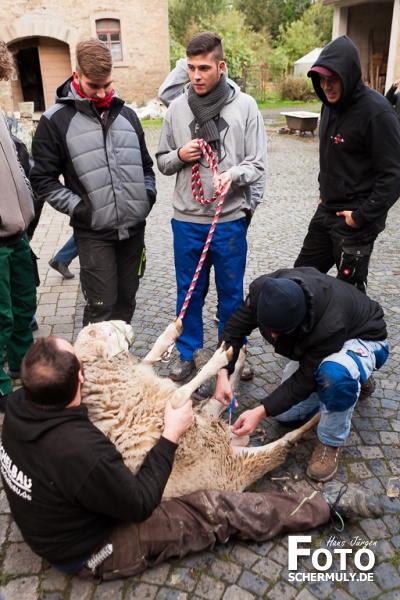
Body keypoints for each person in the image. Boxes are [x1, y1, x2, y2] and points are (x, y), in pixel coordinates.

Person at [0, 336, 383, 582]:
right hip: (89, 551)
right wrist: (170, 435)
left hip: (52, 518)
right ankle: (321, 506)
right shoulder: (83, 452)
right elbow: (139, 503)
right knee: (213, 510)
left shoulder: (20, 405)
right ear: (81, 380)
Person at [156, 32, 266, 384]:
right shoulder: (176, 109)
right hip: (186, 221)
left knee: (232, 295)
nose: (197, 75)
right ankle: (188, 353)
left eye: (204, 68)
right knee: (189, 291)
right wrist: (179, 155)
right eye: (190, 68)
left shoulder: (245, 106)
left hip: (229, 221)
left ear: (221, 66)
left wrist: (233, 175)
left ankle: (230, 354)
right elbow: (162, 160)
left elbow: (257, 164)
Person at [214, 267, 389, 483]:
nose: (274, 336)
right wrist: (224, 374)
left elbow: (303, 381)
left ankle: (331, 440)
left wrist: (259, 412)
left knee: (334, 375)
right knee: (285, 415)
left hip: (366, 338)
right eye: (269, 329)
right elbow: (234, 329)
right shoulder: (264, 292)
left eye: (282, 331)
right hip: (323, 346)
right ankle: (348, 379)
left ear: (302, 319)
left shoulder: (329, 325)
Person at [30, 38, 156, 326]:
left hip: (133, 231)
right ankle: (92, 368)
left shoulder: (128, 115)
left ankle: (118, 366)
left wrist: (147, 196)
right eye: (93, 86)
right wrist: (81, 209)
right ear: (77, 76)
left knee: (126, 303)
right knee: (102, 308)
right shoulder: (54, 121)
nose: (102, 92)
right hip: (93, 234)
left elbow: (146, 166)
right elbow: (42, 179)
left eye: (107, 85)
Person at [294, 35, 400, 294]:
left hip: (356, 223)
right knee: (296, 282)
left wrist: (360, 217)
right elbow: (330, 156)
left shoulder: (378, 113)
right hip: (326, 211)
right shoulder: (328, 106)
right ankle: (302, 333)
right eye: (322, 80)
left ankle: (355, 333)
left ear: (349, 75)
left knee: (349, 295)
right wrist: (323, 191)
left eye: (334, 79)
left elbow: (394, 176)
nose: (327, 86)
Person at [0, 40, 36, 411]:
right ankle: (2, 391)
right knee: (1, 317)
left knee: (24, 307)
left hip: (19, 234)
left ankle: (24, 370)